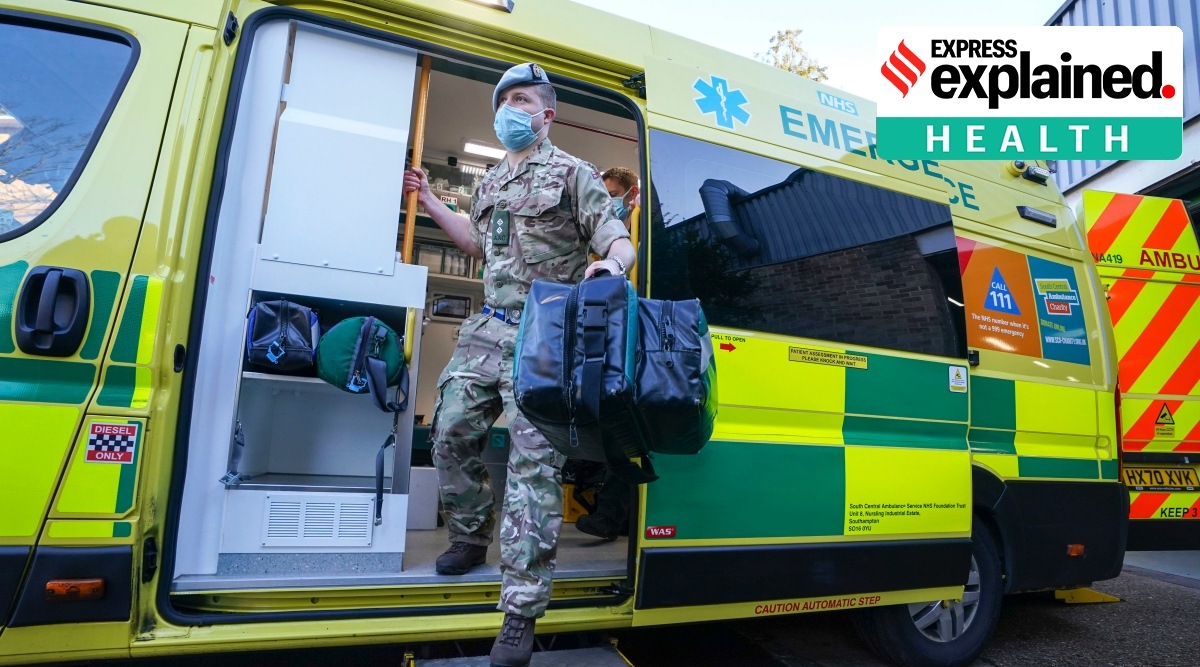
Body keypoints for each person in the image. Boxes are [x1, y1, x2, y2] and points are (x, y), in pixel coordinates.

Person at [402, 62, 635, 667]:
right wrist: (429, 199)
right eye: (504, 100)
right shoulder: (489, 183)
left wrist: (611, 265)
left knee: (533, 466)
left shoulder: (574, 173)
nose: (510, 108)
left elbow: (616, 237)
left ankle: (521, 610)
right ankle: (469, 535)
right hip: (486, 328)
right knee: (449, 433)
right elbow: (476, 244)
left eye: (523, 99)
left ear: (546, 114)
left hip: (545, 334)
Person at [573, 166, 641, 541]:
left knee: (622, 430)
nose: (607, 200)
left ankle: (611, 516)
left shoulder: (639, 233)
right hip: (608, 338)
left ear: (630, 195)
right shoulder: (598, 237)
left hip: (632, 341)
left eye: (613, 193)